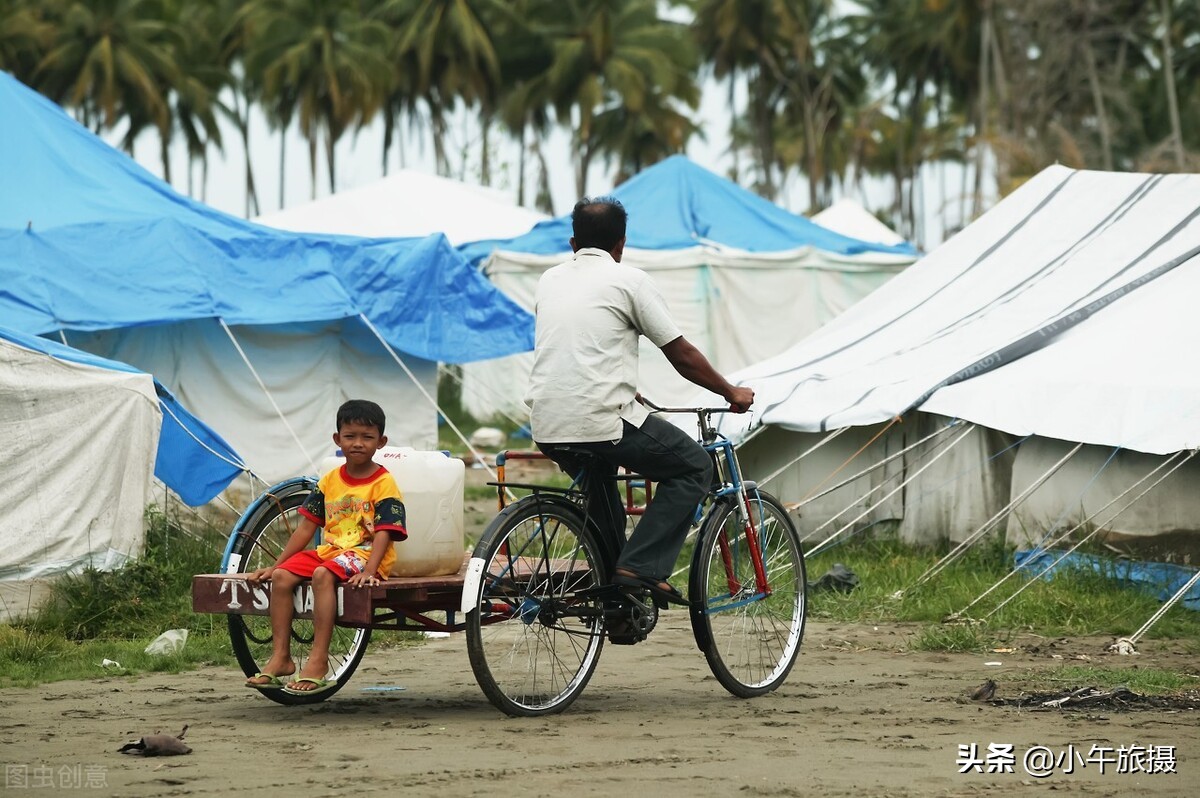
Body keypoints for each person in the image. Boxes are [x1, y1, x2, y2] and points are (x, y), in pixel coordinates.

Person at [525, 197, 754, 611]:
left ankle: (618, 605)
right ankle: (641, 568)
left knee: (602, 496)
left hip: (547, 423)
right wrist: (730, 392)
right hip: (603, 421)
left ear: (573, 242)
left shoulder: (548, 280)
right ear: (621, 244)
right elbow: (681, 354)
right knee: (694, 467)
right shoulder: (629, 280)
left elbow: (577, 345)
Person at [243, 399, 407, 695]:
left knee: (321, 575)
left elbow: (385, 532)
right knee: (281, 578)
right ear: (337, 439)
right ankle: (281, 657)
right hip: (332, 553)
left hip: (365, 555)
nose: (358, 444)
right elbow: (306, 528)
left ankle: (318, 660)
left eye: (367, 437)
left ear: (381, 442)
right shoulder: (329, 481)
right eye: (350, 436)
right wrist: (277, 564)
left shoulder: (384, 483)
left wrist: (371, 570)